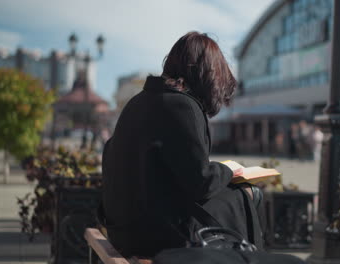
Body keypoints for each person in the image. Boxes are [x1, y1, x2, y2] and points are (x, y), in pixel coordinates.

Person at [101, 32, 264, 258]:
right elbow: (200, 183)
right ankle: (247, 258)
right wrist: (230, 170)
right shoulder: (182, 105)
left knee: (233, 197)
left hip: (125, 231)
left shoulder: (138, 101)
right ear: (208, 75)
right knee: (246, 194)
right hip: (153, 238)